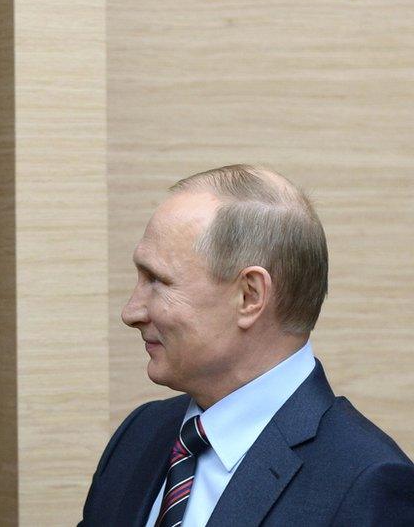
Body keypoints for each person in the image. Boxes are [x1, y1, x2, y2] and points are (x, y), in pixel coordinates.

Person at [78, 165, 414, 526]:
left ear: (249, 296)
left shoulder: (367, 484)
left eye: (157, 280)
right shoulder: (140, 435)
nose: (131, 312)